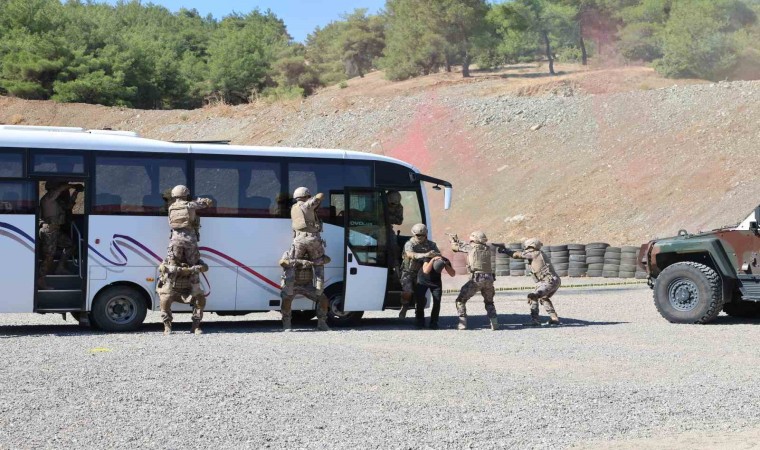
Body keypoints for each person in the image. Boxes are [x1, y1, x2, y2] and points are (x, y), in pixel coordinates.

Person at [37, 181, 82, 289]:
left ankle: (60, 267)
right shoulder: (48, 199)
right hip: (49, 230)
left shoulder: (57, 201)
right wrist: (73, 185)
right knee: (49, 256)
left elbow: (69, 206)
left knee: (70, 245)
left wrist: (76, 192)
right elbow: (60, 188)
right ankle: (40, 279)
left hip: (56, 230)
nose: (64, 191)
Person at [450, 231, 499, 331]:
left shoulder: (471, 247)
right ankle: (494, 323)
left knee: (460, 300)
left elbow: (455, 248)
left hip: (477, 278)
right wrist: (458, 241)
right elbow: (468, 245)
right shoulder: (487, 248)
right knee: (489, 302)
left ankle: (462, 324)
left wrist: (452, 242)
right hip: (489, 279)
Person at [508, 238, 561, 326]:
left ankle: (535, 320)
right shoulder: (540, 253)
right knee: (543, 298)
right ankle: (554, 318)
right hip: (554, 280)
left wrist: (505, 251)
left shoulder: (534, 253)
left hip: (549, 281)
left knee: (532, 296)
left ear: (530, 246)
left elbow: (516, 255)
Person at [278, 248, 331, 332]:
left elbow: (327, 259)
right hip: (292, 285)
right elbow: (282, 262)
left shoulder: (313, 253)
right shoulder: (290, 253)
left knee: (323, 299)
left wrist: (315, 261)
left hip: (307, 285)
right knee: (286, 299)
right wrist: (299, 262)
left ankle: (322, 323)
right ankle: (286, 324)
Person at [156, 254, 208, 335]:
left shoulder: (195, 260)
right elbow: (161, 267)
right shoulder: (170, 259)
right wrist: (172, 268)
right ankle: (167, 326)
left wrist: (197, 268)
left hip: (189, 291)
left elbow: (205, 267)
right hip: (172, 290)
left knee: (200, 299)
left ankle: (196, 326)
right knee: (164, 300)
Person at [290, 187, 327, 294]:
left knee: (292, 263)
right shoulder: (307, 205)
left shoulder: (293, 208)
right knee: (319, 263)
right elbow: (320, 195)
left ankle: (290, 287)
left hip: (298, 240)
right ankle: (319, 290)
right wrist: (312, 197)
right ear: (306, 196)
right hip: (312, 239)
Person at [399, 223, 440, 318]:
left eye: (423, 235)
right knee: (407, 292)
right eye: (418, 235)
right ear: (414, 234)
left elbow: (438, 254)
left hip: (422, 272)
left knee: (420, 294)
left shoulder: (431, 245)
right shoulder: (409, 244)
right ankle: (404, 306)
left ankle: (418, 312)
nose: (420, 237)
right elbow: (410, 254)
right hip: (408, 271)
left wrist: (434, 255)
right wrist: (426, 255)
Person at [167, 185, 213, 267]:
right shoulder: (190, 205)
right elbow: (206, 203)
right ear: (185, 194)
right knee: (193, 265)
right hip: (189, 239)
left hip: (175, 239)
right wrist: (201, 200)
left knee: (174, 266)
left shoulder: (171, 207)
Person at [414, 255, 455, 329]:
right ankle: (420, 320)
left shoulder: (445, 260)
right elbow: (426, 271)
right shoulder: (427, 258)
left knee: (437, 302)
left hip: (436, 283)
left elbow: (452, 274)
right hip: (423, 280)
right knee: (420, 301)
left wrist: (446, 265)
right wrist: (432, 260)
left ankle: (434, 322)